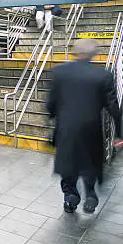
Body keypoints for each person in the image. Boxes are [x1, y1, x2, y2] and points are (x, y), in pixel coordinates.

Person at [47, 39, 122, 214]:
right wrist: (119, 133)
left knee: (68, 163)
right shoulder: (103, 75)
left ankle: (71, 196)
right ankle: (90, 193)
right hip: (91, 130)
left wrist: (52, 117)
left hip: (66, 129)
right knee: (90, 163)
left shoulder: (60, 72)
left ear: (75, 51)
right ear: (93, 54)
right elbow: (113, 108)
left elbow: (51, 104)